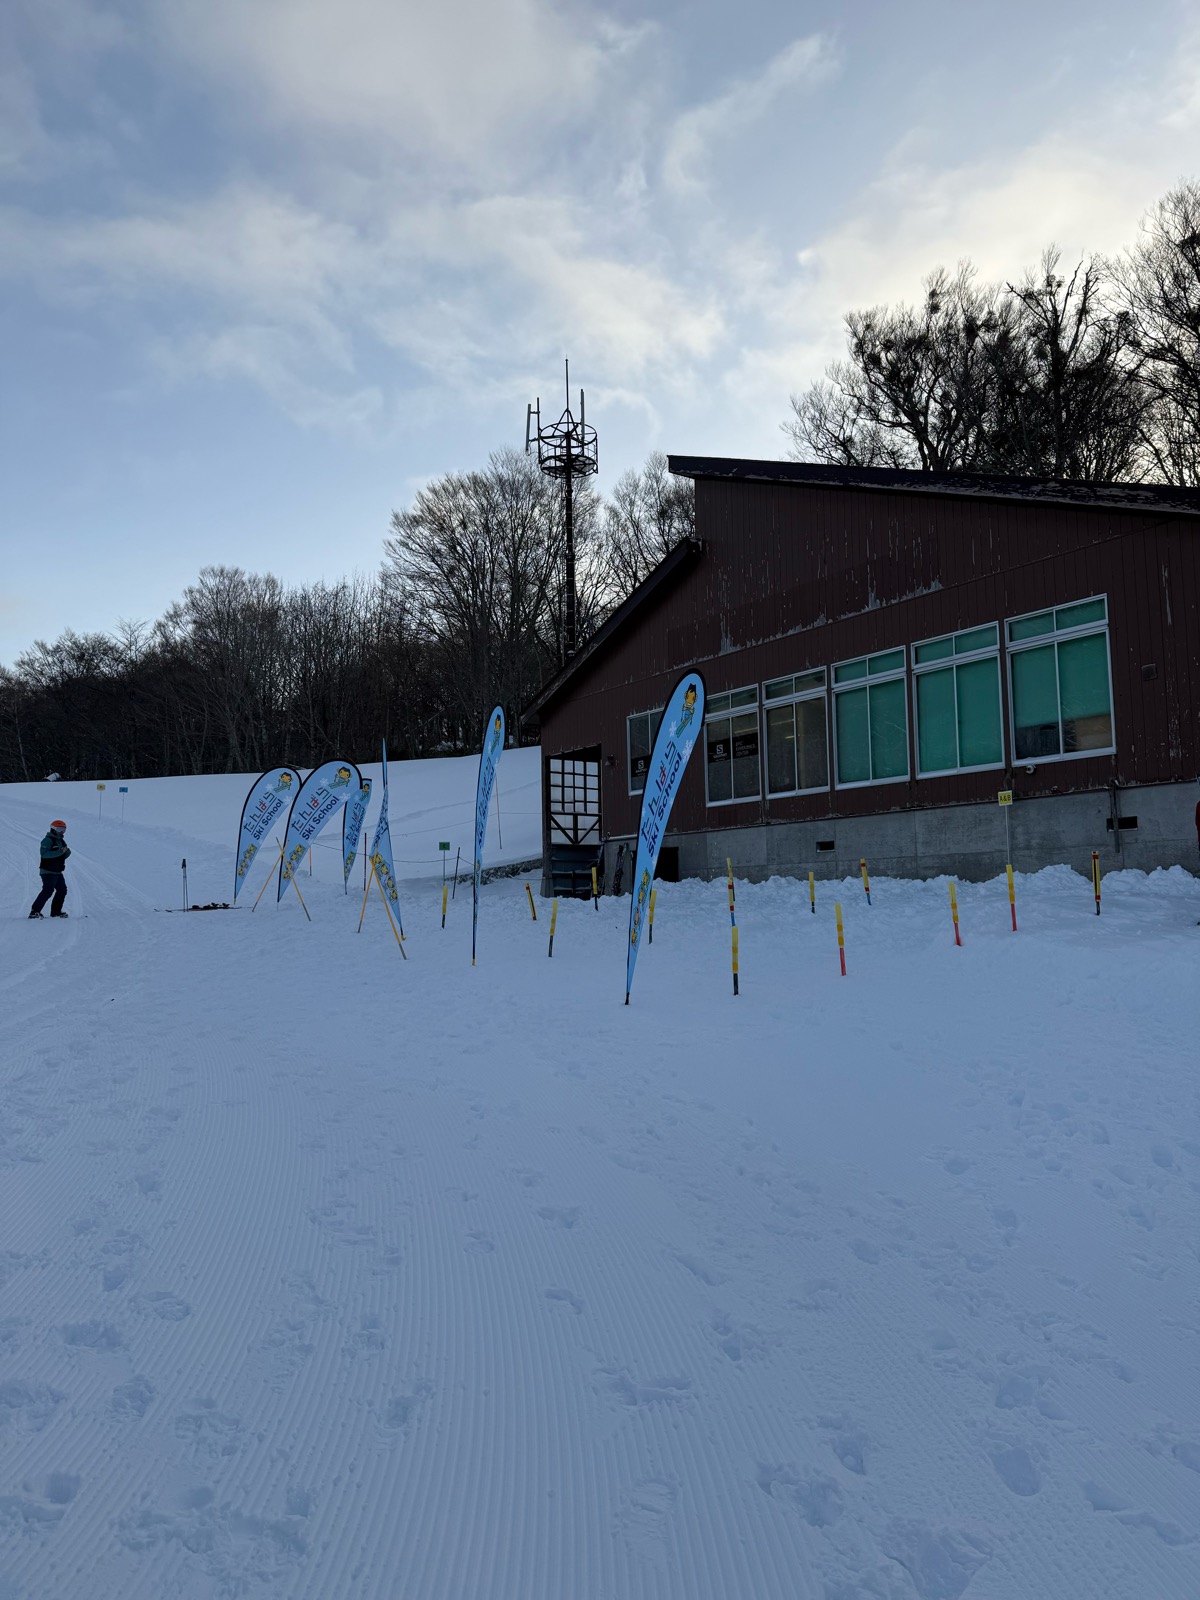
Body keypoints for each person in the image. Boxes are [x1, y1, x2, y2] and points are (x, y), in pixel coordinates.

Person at [29, 820, 71, 918]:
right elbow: (44, 854)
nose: (61, 832)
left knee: (62, 890)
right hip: (47, 871)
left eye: (63, 830)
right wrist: (60, 852)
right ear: (53, 829)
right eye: (59, 829)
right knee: (48, 890)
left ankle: (56, 912)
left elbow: (61, 856)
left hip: (57, 871)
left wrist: (67, 852)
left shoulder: (61, 840)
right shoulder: (47, 840)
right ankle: (34, 912)